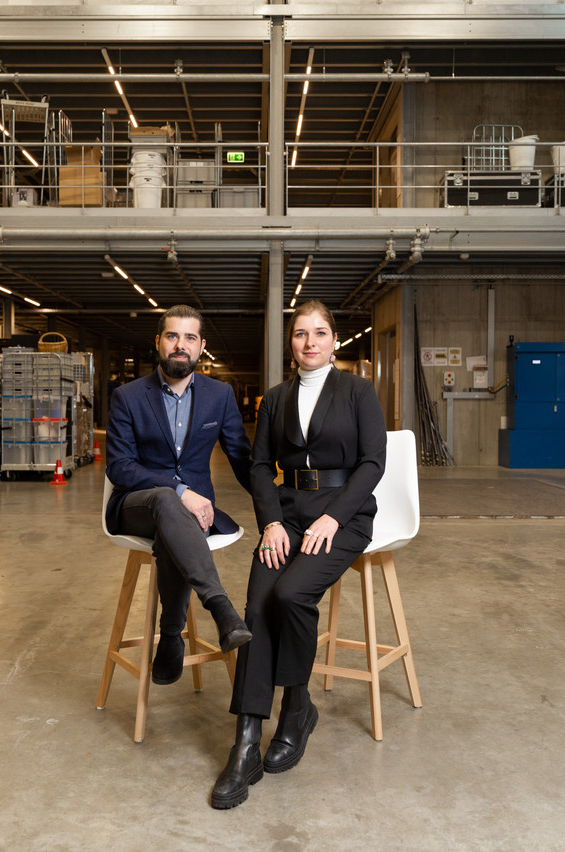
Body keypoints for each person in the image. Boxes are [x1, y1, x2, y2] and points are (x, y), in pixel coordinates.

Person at [210, 300, 387, 809]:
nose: (310, 342)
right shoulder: (275, 399)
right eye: (300, 334)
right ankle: (245, 742)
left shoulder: (357, 391)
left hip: (344, 514)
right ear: (290, 343)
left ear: (335, 341)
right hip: (286, 514)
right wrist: (270, 521)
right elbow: (261, 466)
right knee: (256, 605)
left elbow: (373, 463)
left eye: (320, 333)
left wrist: (334, 517)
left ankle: (295, 707)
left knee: (290, 594)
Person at [105, 304, 253, 687]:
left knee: (175, 527)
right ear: (158, 342)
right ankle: (221, 609)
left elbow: (241, 458)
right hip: (136, 505)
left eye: (189, 338)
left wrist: (278, 506)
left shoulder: (219, 396)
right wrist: (180, 490)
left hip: (190, 517)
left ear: (201, 346)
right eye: (172, 336)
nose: (180, 345)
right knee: (169, 501)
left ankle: (170, 637)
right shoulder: (128, 395)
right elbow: (120, 467)